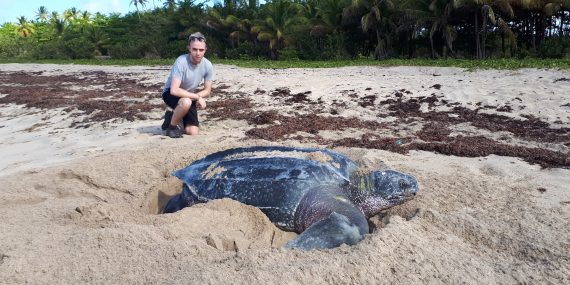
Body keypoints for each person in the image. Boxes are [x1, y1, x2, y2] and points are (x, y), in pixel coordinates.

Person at [161, 32, 214, 138]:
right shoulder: (181, 61)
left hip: (189, 95)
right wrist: (198, 97)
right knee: (186, 101)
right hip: (170, 94)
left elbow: (207, 91)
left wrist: (197, 97)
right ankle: (171, 127)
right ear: (189, 48)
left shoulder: (208, 65)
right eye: (194, 49)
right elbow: (174, 90)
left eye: (201, 50)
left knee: (192, 131)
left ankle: (171, 116)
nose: (198, 53)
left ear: (205, 49)